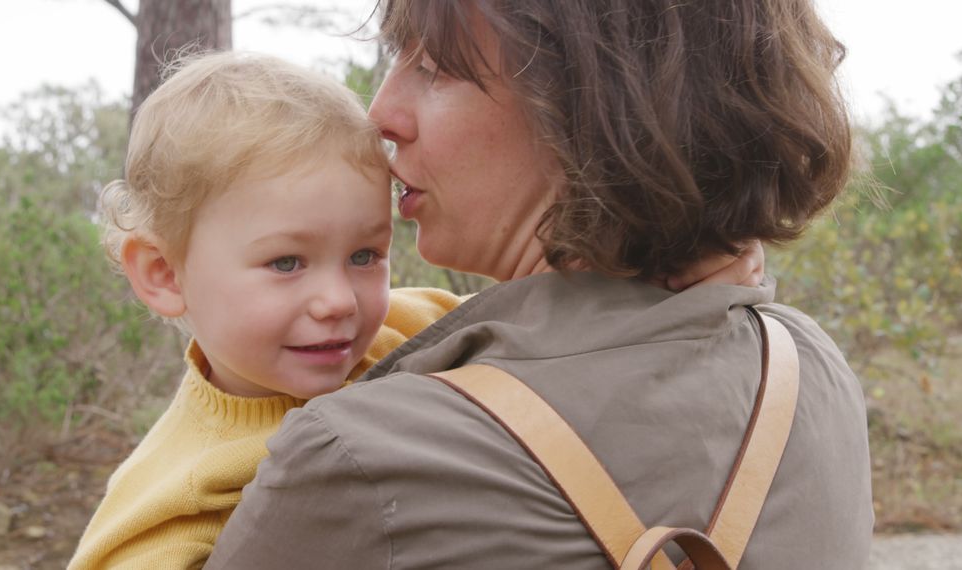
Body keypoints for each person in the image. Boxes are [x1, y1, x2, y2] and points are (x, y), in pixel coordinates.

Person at [205, 0, 874, 568]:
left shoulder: (362, 456)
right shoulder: (807, 368)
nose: (381, 113)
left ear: (599, 109)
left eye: (435, 69)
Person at [67, 51, 465, 569]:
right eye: (286, 263)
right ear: (163, 273)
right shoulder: (181, 484)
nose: (338, 301)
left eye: (363, 256)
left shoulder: (410, 328)